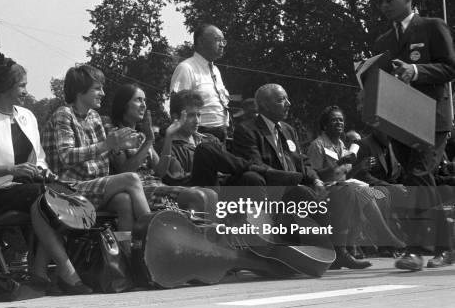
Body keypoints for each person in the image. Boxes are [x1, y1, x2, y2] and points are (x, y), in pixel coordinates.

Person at [0, 52, 94, 295]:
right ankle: (66, 272)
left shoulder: (28, 117)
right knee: (43, 198)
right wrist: (11, 170)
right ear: (5, 87)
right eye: (22, 85)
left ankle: (41, 275)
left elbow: (39, 159)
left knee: (58, 196)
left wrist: (46, 174)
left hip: (29, 189)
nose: (25, 90)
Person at [232, 84, 368, 269]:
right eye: (281, 100)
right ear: (263, 105)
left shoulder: (288, 130)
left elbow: (304, 162)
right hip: (277, 192)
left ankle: (340, 252)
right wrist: (301, 180)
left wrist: (316, 179)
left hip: (301, 187)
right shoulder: (246, 130)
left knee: (346, 191)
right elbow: (257, 167)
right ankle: (307, 248)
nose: (288, 103)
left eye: (287, 98)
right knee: (305, 194)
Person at [373, 0, 455, 270]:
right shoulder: (383, 41)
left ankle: (417, 249)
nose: (383, 5)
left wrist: (417, 70)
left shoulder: (432, 26)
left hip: (431, 117)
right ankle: (447, 245)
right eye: (380, 0)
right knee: (418, 180)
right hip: (400, 119)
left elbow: (450, 67)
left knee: (420, 174)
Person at [43, 65, 152, 231]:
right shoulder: (64, 114)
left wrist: (118, 146)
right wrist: (107, 144)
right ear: (80, 91)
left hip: (92, 184)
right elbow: (67, 155)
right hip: (67, 187)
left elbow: (103, 152)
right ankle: (153, 233)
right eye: (97, 88)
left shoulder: (94, 116)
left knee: (124, 201)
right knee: (132, 179)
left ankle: (127, 253)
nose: (103, 93)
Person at [306, 106, 405, 253]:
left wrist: (360, 167)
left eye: (341, 120)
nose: (339, 123)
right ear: (325, 125)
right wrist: (339, 162)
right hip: (325, 192)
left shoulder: (342, 145)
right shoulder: (318, 145)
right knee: (361, 192)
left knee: (380, 193)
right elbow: (315, 175)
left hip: (344, 188)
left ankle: (357, 245)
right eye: (334, 120)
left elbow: (346, 176)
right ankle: (385, 236)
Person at [109, 84, 217, 215]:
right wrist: (148, 141)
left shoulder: (141, 135)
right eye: (138, 100)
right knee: (198, 197)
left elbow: (160, 172)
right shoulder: (115, 133)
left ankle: (210, 235)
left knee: (210, 195)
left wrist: (169, 137)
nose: (143, 105)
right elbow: (124, 171)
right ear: (124, 104)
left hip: (157, 186)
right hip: (139, 190)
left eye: (144, 100)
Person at [157, 89, 252, 189]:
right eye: (191, 115)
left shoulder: (210, 139)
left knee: (251, 178)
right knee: (204, 149)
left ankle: (255, 169)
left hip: (221, 188)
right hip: (196, 193)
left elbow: (227, 170)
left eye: (198, 115)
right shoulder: (167, 146)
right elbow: (179, 180)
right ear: (175, 117)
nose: (197, 121)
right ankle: (254, 167)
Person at [170, 23, 230, 142]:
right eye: (218, 40)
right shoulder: (186, 68)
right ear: (201, 41)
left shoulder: (215, 70)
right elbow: (176, 106)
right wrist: (188, 139)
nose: (222, 45)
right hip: (200, 135)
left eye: (224, 41)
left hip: (221, 135)